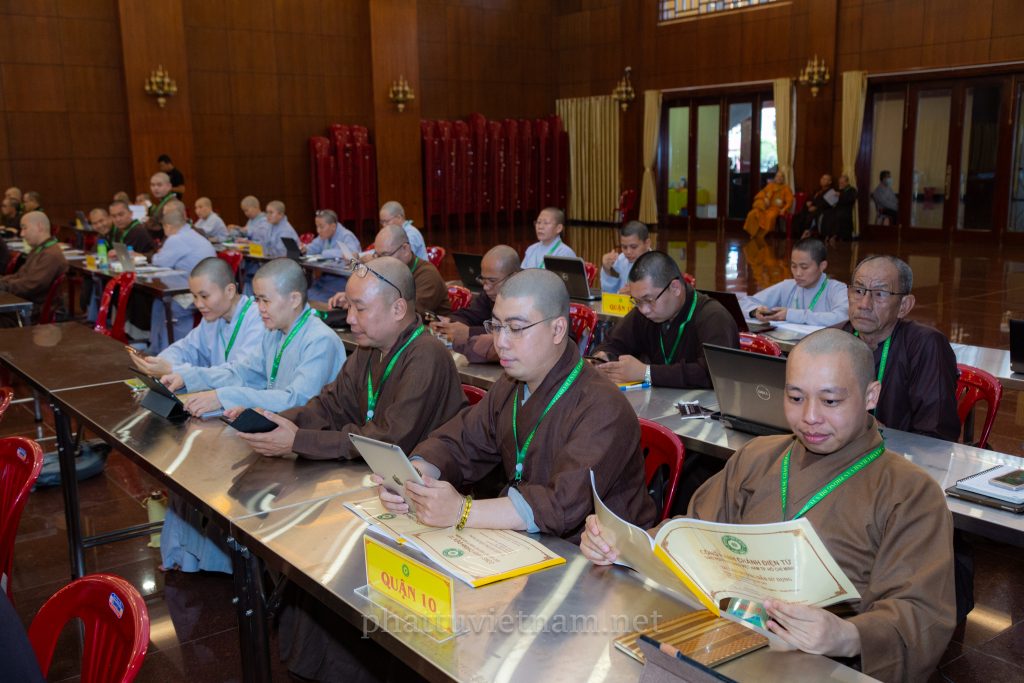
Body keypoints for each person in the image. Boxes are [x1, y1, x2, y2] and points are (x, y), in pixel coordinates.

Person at [581, 328, 956, 683]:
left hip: (820, 664)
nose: (810, 417)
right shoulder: (758, 456)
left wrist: (846, 635)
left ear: (871, 396)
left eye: (830, 401)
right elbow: (691, 534)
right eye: (795, 398)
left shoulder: (910, 491)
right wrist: (622, 545)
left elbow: (920, 613)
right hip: (720, 640)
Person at [376, 268, 657, 541]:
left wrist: (462, 511)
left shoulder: (603, 406)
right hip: (526, 540)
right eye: (497, 326)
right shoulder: (511, 384)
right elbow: (460, 440)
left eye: (516, 328)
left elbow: (560, 503)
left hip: (601, 556)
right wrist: (414, 477)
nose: (501, 342)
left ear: (557, 329)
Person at [236, 256, 465, 460]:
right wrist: (275, 422)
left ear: (397, 309)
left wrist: (299, 441)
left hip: (421, 484)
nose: (349, 319)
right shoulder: (369, 349)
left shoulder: (427, 354)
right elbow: (330, 406)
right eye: (349, 307)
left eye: (360, 309)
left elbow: (390, 440)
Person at [161, 258, 346, 417]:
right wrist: (190, 378)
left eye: (266, 300)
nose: (260, 308)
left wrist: (224, 397)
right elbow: (242, 373)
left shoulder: (320, 340)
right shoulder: (273, 332)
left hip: (308, 434)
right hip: (279, 424)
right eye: (257, 300)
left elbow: (297, 400)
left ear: (294, 300)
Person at [841, 255, 959, 441]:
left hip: (900, 455)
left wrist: (883, 435)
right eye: (859, 290)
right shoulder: (835, 339)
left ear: (904, 306)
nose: (864, 304)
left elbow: (935, 436)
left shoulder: (926, 346)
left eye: (880, 294)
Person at [592, 251, 738, 388]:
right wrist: (602, 358)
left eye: (649, 300)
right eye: (637, 301)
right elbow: (612, 343)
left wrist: (646, 373)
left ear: (675, 288)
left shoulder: (714, 317)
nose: (644, 309)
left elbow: (713, 374)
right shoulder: (645, 313)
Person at [130, 257, 264, 377]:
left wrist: (174, 370)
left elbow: (238, 374)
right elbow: (185, 348)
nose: (198, 304)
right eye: (194, 296)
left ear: (229, 291)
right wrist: (157, 363)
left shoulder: (259, 318)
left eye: (204, 296)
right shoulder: (212, 317)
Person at [328, 224, 450, 317]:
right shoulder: (387, 270)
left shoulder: (427, 275)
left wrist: (360, 304)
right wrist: (352, 299)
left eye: (385, 255)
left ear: (405, 249)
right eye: (377, 255)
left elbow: (406, 314)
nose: (381, 261)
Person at [148, 200, 218, 352]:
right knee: (159, 302)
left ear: (168, 226)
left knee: (169, 306)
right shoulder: (191, 234)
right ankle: (157, 347)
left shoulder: (176, 238)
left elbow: (159, 262)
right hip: (208, 288)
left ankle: (172, 352)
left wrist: (158, 255)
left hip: (194, 294)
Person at [431, 244, 520, 362]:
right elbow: (470, 314)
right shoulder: (490, 293)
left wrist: (469, 332)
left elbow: (514, 332)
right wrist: (449, 323)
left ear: (513, 277)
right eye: (483, 279)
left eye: (492, 280)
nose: (486, 287)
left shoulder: (528, 299)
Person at [739, 238, 849, 327]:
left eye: (804, 267)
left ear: (822, 266)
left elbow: (843, 317)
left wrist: (791, 315)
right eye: (794, 266)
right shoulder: (788, 286)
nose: (798, 273)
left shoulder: (837, 289)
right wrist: (755, 311)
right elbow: (743, 303)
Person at [0, 211, 68, 326]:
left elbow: (30, 285)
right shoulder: (39, 250)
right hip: (26, 304)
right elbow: (20, 275)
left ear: (39, 227)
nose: (22, 234)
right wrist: (2, 282)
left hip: (32, 312)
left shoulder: (50, 255)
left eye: (24, 228)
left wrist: (3, 286)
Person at [304, 209, 361, 303]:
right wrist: (305, 249)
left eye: (321, 227)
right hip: (326, 278)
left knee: (313, 298)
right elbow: (314, 246)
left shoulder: (346, 235)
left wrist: (325, 253)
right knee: (306, 294)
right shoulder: (325, 235)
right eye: (317, 226)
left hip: (343, 280)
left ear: (333, 226)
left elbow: (352, 253)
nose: (318, 230)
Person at [601, 221, 652, 293]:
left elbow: (661, 297)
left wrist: (636, 295)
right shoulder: (621, 260)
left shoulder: (658, 265)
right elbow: (609, 292)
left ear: (647, 244)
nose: (628, 252)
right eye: (624, 247)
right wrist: (607, 269)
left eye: (633, 247)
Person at [742, 171, 793, 243]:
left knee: (770, 217)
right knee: (753, 213)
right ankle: (753, 233)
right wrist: (765, 198)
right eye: (777, 176)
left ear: (783, 179)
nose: (779, 178)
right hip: (765, 207)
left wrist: (784, 209)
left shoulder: (786, 188)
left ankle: (760, 235)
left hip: (776, 209)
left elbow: (789, 201)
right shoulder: (770, 186)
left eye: (781, 176)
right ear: (775, 178)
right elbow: (762, 193)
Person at [797, 173, 834, 238]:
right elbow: (811, 198)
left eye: (825, 179)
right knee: (801, 213)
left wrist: (816, 207)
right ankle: (801, 233)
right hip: (812, 208)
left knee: (812, 215)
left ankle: (807, 232)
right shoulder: (818, 190)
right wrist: (809, 202)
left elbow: (827, 204)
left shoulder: (831, 191)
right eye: (822, 178)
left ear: (830, 182)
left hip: (823, 211)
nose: (822, 180)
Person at [824, 174, 857, 244]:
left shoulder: (852, 190)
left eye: (842, 183)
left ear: (847, 182)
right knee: (827, 214)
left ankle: (835, 236)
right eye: (839, 183)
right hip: (836, 209)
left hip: (846, 210)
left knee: (839, 215)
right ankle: (829, 235)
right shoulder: (838, 190)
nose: (840, 184)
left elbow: (850, 199)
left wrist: (840, 195)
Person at [143, 172, 175, 237]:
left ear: (169, 186)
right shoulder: (163, 201)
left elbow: (162, 228)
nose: (155, 188)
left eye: (159, 185)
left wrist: (147, 222)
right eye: (152, 185)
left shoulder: (172, 204)